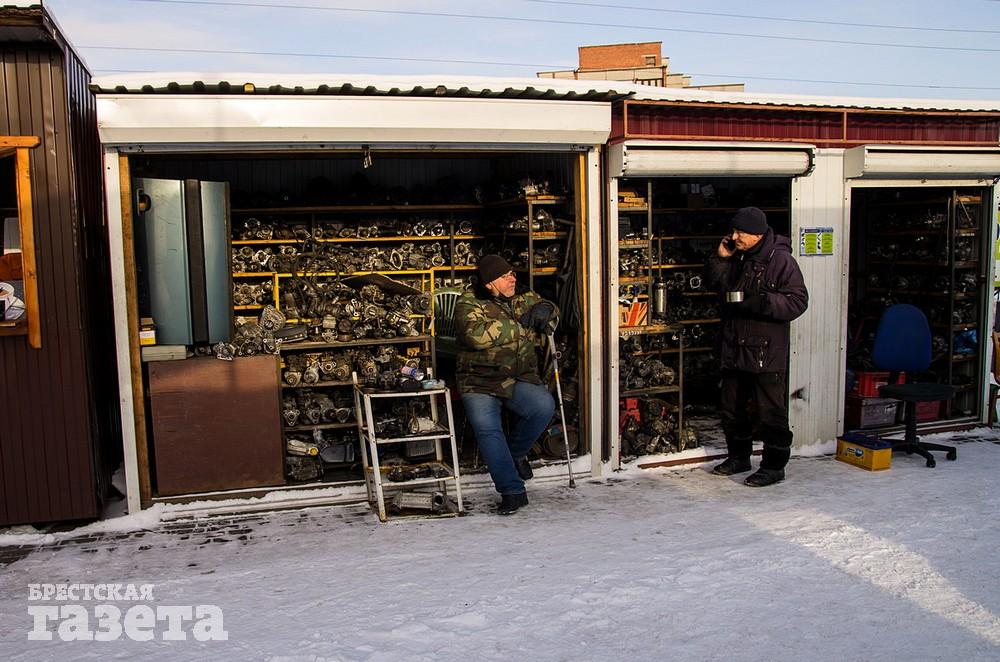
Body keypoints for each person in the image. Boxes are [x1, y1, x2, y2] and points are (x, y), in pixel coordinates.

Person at [704, 207, 809, 487]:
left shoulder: (781, 260)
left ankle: (774, 466)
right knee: (732, 407)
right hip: (734, 346)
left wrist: (760, 301)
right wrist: (721, 259)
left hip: (765, 350)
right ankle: (738, 457)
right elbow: (715, 286)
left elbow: (798, 302)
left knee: (769, 411)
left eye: (740, 232)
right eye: (734, 230)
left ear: (758, 234)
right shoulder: (737, 255)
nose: (734, 236)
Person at [454, 254, 558, 515]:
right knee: (488, 430)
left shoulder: (524, 296)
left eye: (512, 273)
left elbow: (549, 312)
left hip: (518, 377)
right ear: (489, 283)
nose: (513, 278)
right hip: (478, 379)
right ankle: (512, 491)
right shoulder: (469, 301)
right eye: (505, 275)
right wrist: (519, 325)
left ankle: (515, 455)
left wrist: (548, 309)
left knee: (543, 406)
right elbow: (475, 335)